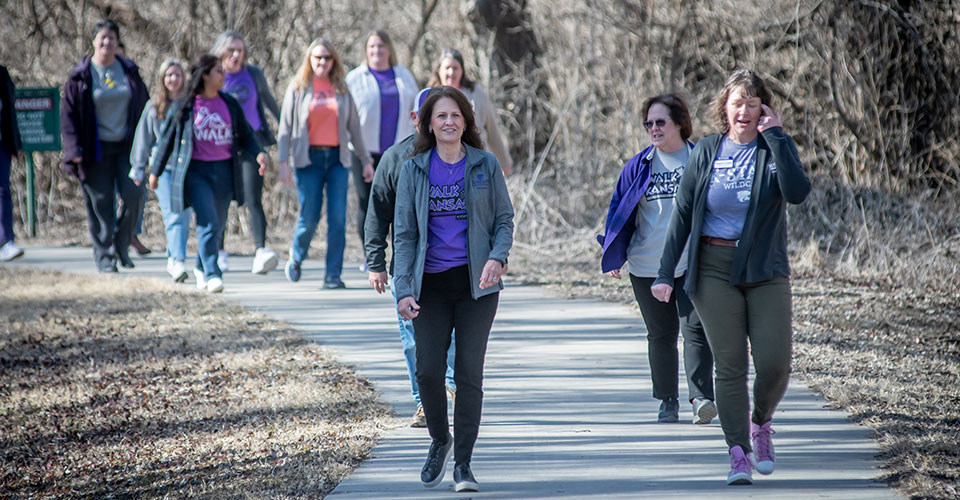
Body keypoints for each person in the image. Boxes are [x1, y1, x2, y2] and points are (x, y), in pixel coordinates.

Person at [651, 69, 811, 485]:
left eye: (752, 103)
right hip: (713, 269)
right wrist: (666, 272)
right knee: (731, 363)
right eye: (737, 102)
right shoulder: (705, 152)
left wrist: (776, 136)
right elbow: (683, 215)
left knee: (775, 363)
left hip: (765, 268)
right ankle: (738, 450)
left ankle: (761, 423)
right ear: (725, 107)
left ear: (764, 109)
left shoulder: (774, 148)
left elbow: (797, 191)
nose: (744, 110)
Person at [394, 86, 514, 493]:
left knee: (468, 374)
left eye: (456, 115)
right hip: (430, 287)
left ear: (466, 121)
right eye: (441, 116)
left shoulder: (485, 165)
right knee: (428, 372)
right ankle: (439, 440)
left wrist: (498, 257)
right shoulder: (413, 170)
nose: (449, 122)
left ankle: (463, 463)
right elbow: (405, 236)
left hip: (476, 286)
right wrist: (403, 290)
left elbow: (503, 220)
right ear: (428, 122)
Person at [598, 93, 715, 424]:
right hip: (647, 265)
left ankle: (701, 397)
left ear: (679, 123)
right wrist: (613, 253)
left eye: (660, 122)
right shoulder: (638, 166)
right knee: (661, 335)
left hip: (692, 262)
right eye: (648, 123)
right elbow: (619, 212)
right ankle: (667, 400)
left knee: (696, 329)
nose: (653, 128)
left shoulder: (699, 159)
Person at [364, 87, 457, 428]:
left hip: (454, 264)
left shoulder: (462, 155)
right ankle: (423, 403)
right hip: (409, 268)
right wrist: (375, 262)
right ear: (416, 118)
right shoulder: (395, 158)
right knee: (412, 339)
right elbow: (376, 214)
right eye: (430, 114)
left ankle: (451, 389)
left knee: (454, 334)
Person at [149, 54, 268, 294]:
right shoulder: (186, 105)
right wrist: (155, 171)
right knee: (208, 221)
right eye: (218, 71)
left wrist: (259, 154)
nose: (223, 75)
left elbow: (246, 136)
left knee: (219, 223)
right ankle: (214, 273)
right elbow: (167, 140)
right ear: (204, 75)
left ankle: (201, 267)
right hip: (196, 172)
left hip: (224, 171)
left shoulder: (229, 103)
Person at [277, 38, 371, 289]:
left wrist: (366, 160)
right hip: (308, 160)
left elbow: (355, 129)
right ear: (309, 59)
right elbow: (285, 128)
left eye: (327, 58)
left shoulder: (341, 88)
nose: (322, 62)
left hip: (338, 160)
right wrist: (282, 162)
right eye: (317, 57)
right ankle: (296, 256)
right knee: (309, 215)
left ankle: (332, 275)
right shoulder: (298, 88)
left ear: (334, 61)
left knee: (338, 218)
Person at [61, 19, 149, 272]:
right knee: (101, 204)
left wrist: (149, 143)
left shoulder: (129, 71)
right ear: (93, 41)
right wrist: (73, 150)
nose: (107, 42)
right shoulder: (81, 76)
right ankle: (106, 258)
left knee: (134, 195)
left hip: (127, 147)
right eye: (102, 37)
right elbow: (68, 116)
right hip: (94, 149)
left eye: (111, 37)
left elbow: (145, 108)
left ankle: (122, 241)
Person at [346, 30, 418, 268]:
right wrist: (362, 157)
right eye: (372, 47)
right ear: (366, 51)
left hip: (399, 153)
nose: (377, 51)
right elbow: (347, 117)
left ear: (389, 49)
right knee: (369, 203)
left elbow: (417, 108)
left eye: (381, 46)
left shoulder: (403, 75)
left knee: (401, 204)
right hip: (365, 152)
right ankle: (372, 256)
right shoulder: (355, 78)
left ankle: (401, 258)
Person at [211, 30, 282, 274]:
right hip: (221, 144)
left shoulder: (253, 74)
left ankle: (261, 250)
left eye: (240, 50)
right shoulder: (213, 75)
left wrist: (285, 128)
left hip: (252, 143)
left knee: (254, 197)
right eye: (231, 50)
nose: (236, 55)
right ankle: (219, 252)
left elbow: (270, 104)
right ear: (221, 52)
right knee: (221, 198)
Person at [129, 58, 191, 282]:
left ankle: (174, 255)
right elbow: (143, 140)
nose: (173, 79)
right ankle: (178, 261)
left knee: (185, 215)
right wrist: (138, 168)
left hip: (187, 169)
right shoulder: (154, 106)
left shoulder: (189, 105)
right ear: (163, 79)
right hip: (163, 170)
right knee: (173, 214)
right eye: (169, 75)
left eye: (177, 75)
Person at [427, 48, 512, 175]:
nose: (451, 72)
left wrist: (504, 161)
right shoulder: (429, 96)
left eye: (455, 68)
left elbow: (492, 127)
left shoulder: (476, 93)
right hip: (442, 163)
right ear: (439, 70)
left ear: (462, 71)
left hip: (477, 159)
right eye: (447, 67)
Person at [0, 64, 24, 262]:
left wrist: (15, 142)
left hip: (1, 144)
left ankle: (6, 241)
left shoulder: (1, 74)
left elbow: (9, 110)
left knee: (2, 191)